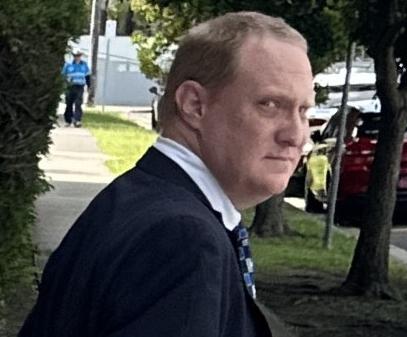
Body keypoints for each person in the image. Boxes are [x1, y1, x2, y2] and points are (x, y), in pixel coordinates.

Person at [19, 11, 314, 337]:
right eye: (270, 104)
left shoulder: (137, 200)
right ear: (194, 105)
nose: (296, 135)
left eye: (304, 110)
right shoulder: (183, 238)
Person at [61, 48, 90, 127]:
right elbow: (63, 76)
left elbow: (87, 76)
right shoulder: (68, 64)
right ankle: (68, 120)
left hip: (80, 86)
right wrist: (63, 85)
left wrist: (89, 86)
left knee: (78, 103)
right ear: (73, 56)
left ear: (81, 56)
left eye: (79, 55)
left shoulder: (84, 65)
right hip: (70, 86)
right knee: (69, 104)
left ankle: (77, 120)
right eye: (75, 55)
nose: (77, 57)